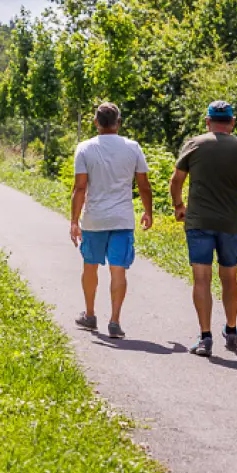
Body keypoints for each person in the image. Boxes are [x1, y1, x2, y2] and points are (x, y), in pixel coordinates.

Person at [170, 100, 237, 357]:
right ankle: (231, 330)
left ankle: (205, 337)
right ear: (232, 122)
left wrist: (179, 205)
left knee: (202, 278)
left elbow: (176, 179)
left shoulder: (195, 144)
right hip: (230, 224)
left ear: (208, 121)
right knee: (229, 277)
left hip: (198, 222)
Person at [71, 102, 153, 340]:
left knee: (90, 266)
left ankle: (89, 314)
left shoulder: (84, 148)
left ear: (96, 122)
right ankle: (115, 321)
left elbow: (80, 187)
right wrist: (148, 212)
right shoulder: (133, 147)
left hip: (94, 219)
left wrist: (74, 220)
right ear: (118, 122)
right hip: (122, 219)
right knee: (119, 271)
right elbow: (143, 185)